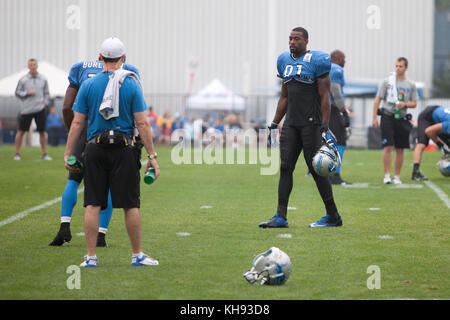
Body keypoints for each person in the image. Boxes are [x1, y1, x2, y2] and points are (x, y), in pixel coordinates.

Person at [64, 37, 160, 267]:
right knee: (130, 205)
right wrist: (152, 156)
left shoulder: (87, 85)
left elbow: (77, 123)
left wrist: (68, 152)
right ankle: (137, 255)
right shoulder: (131, 83)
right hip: (124, 148)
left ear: (100, 58)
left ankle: (90, 257)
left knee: (93, 203)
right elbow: (143, 124)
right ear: (123, 59)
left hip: (94, 147)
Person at [49, 50, 141, 247]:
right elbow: (136, 112)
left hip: (85, 129)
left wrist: (74, 133)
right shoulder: (129, 71)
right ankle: (101, 235)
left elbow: (66, 107)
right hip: (115, 133)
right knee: (107, 184)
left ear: (100, 56)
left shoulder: (81, 68)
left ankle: (64, 225)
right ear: (122, 57)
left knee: (74, 179)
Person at [259, 27, 342, 228]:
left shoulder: (318, 60)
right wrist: (274, 123)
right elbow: (284, 96)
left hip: (311, 124)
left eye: (296, 39)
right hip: (291, 124)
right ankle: (280, 216)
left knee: (316, 170)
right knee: (286, 167)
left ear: (306, 41)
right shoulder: (284, 61)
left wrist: (324, 125)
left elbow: (324, 96)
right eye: (290, 38)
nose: (292, 42)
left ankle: (333, 215)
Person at [372, 57, 418, 184]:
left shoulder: (411, 84)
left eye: (400, 66)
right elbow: (378, 99)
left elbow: (414, 103)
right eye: (396, 66)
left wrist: (405, 104)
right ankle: (386, 175)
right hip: (387, 116)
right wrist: (374, 117)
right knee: (388, 146)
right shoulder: (387, 82)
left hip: (402, 118)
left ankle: (396, 176)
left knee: (400, 148)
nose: (397, 68)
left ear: (406, 68)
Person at [14, 58, 52, 161]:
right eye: (30, 65)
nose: (32, 66)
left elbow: (47, 94)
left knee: (42, 131)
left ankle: (44, 154)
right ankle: (17, 154)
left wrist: (45, 104)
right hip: (27, 109)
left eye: (34, 64)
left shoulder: (43, 79)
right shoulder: (23, 80)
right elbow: (17, 93)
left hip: (40, 109)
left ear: (37, 66)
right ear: (28, 66)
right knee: (21, 131)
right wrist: (26, 93)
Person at [328, 50, 352, 185]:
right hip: (332, 108)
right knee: (340, 141)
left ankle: (324, 171)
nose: (345, 61)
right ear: (337, 58)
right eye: (344, 58)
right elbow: (335, 90)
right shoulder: (336, 69)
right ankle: (335, 175)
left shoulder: (325, 68)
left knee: (328, 141)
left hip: (322, 108)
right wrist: (343, 111)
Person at [411, 105, 450, 181]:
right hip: (427, 117)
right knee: (422, 143)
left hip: (439, 119)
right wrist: (440, 145)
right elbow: (429, 131)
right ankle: (415, 172)